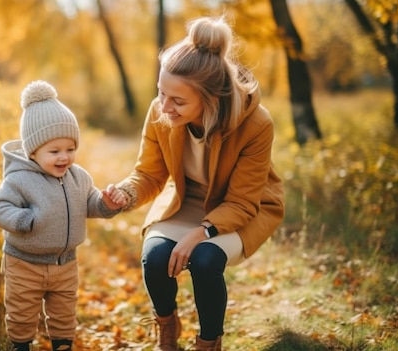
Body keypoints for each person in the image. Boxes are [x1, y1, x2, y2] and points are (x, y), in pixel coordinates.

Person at [108, 16, 285, 351]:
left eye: (177, 100)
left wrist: (200, 232)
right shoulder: (161, 112)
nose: (164, 106)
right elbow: (149, 174)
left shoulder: (256, 124)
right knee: (155, 258)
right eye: (161, 92)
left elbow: (243, 201)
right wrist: (126, 193)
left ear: (211, 99)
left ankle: (208, 343)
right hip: (185, 202)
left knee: (205, 260)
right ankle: (167, 329)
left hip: (239, 210)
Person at [0, 80, 127, 351]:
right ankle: (21, 346)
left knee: (64, 314)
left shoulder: (79, 177)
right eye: (54, 152)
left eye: (70, 149)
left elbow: (90, 203)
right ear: (33, 152)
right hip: (24, 262)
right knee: (21, 313)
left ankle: (62, 345)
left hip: (66, 264)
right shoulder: (19, 179)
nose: (64, 157)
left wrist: (107, 204)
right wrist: (24, 220)